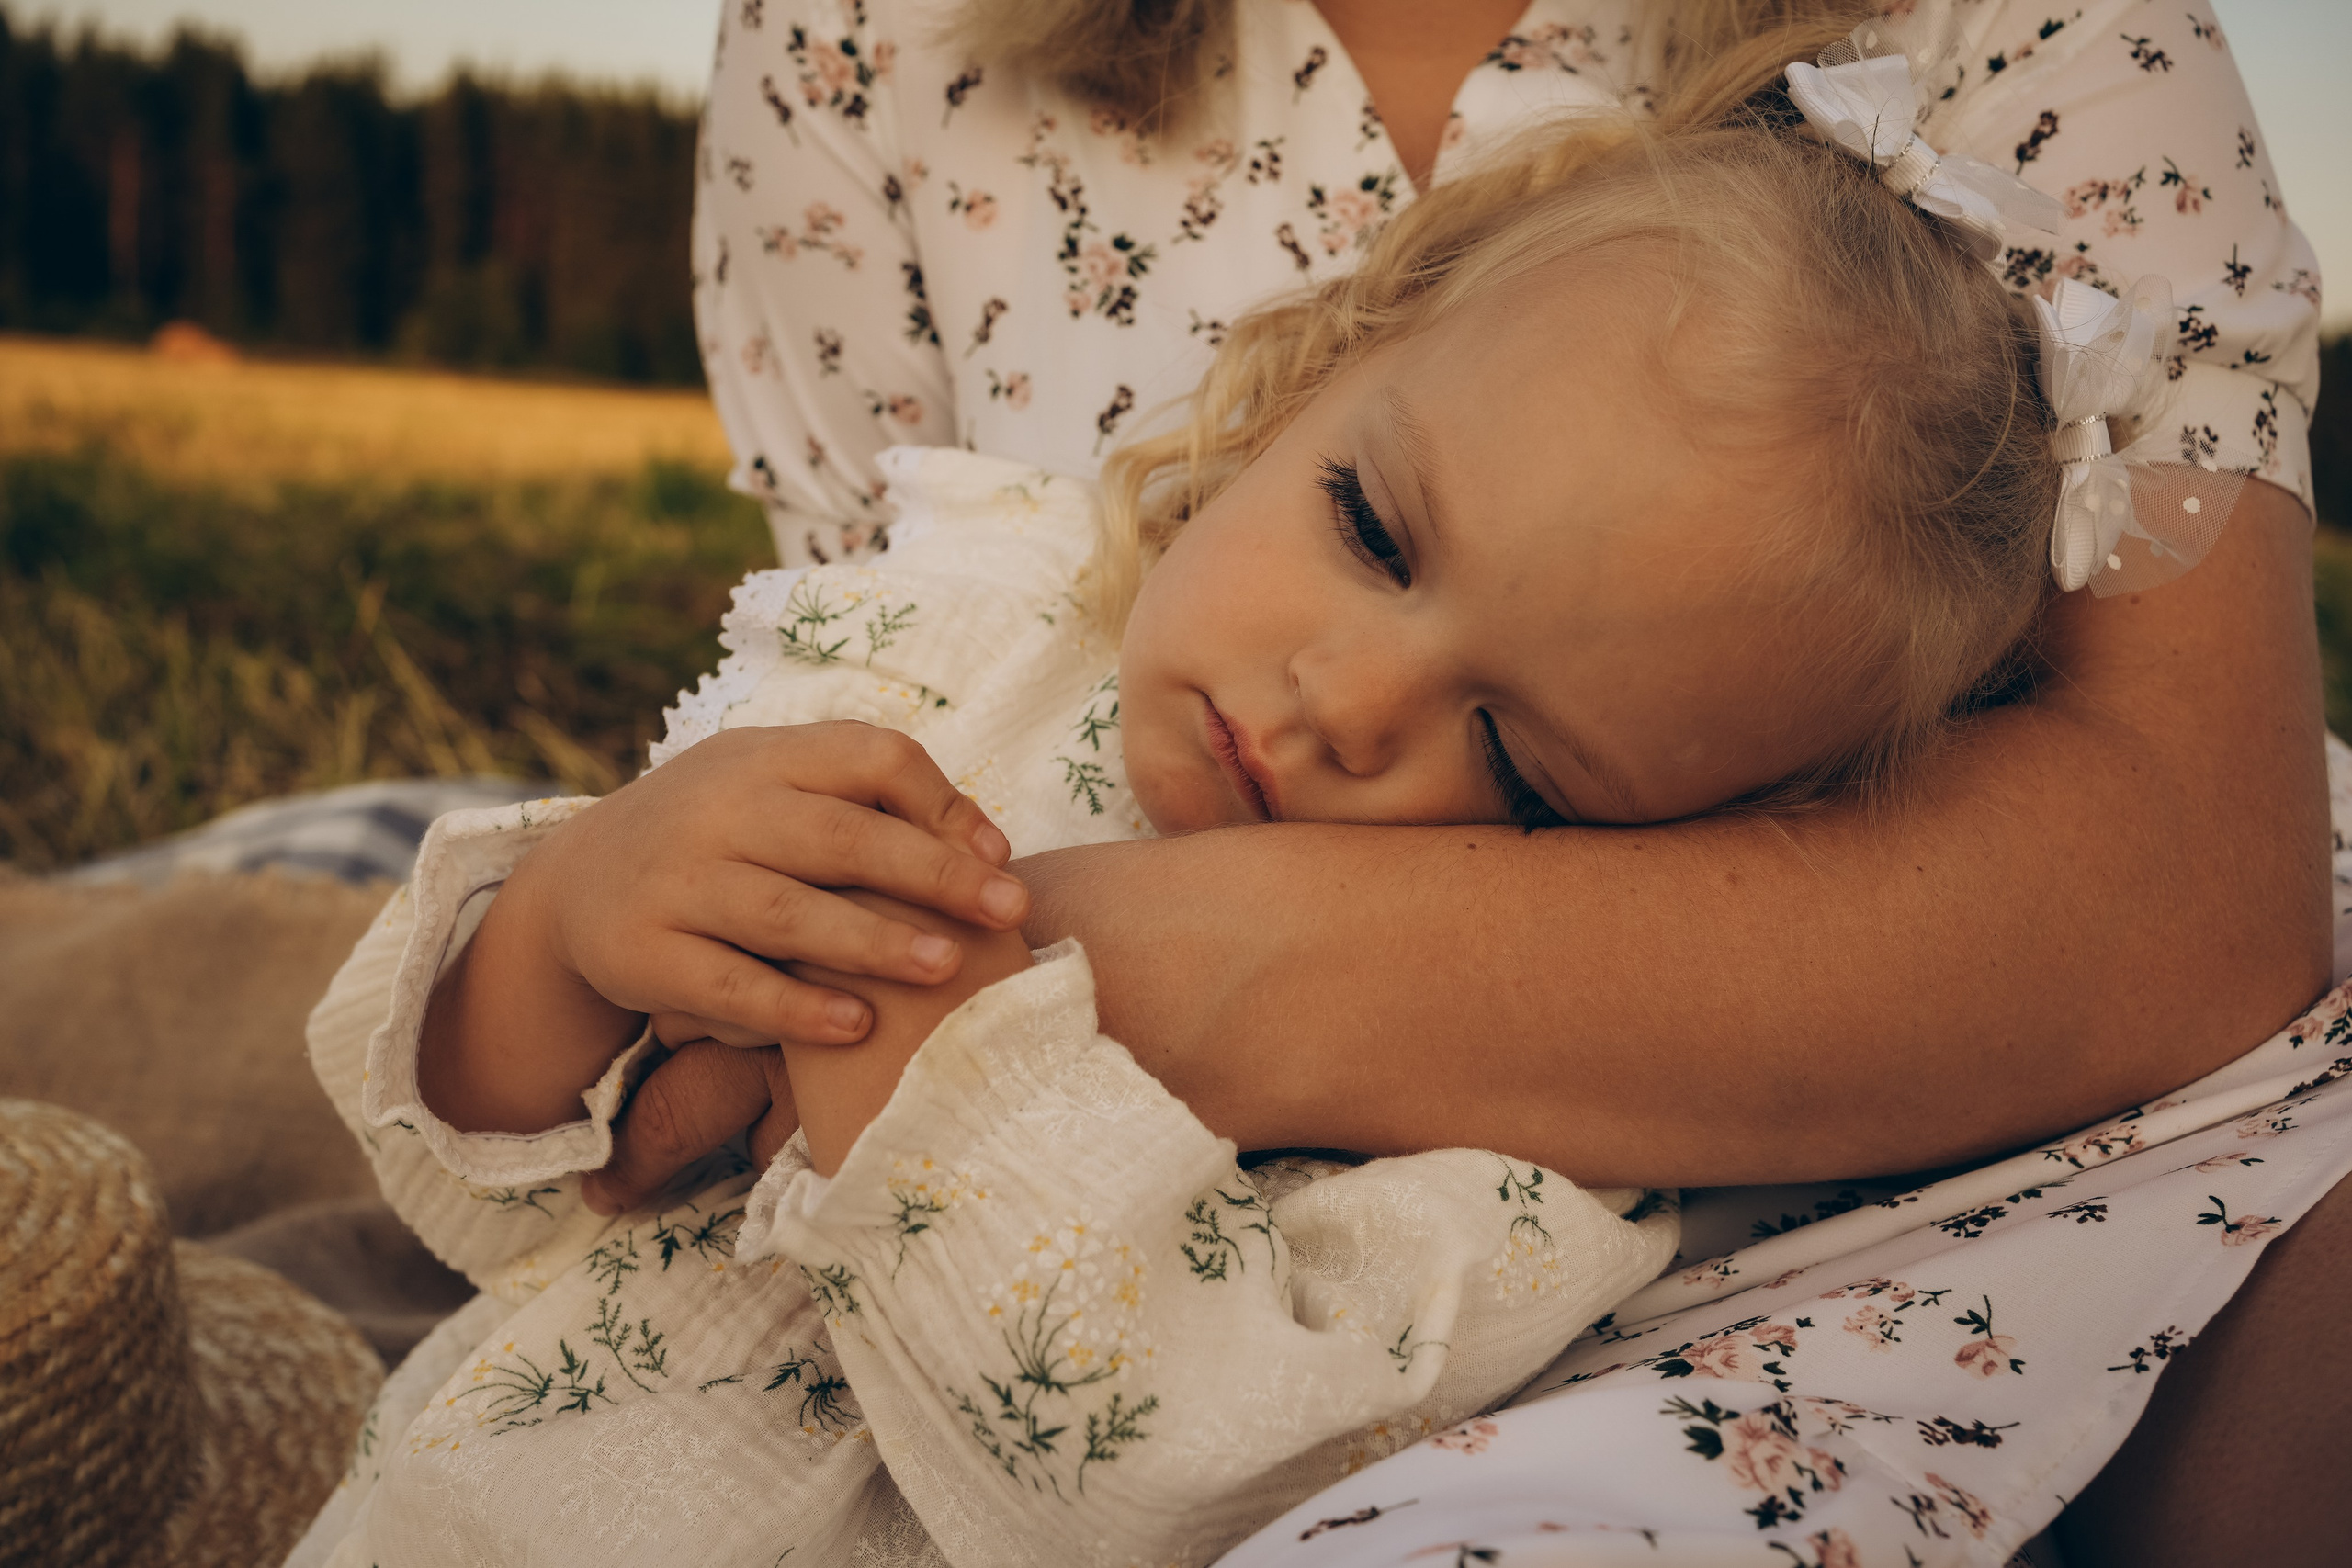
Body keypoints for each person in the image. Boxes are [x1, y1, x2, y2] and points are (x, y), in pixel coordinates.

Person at [291, 21, 2206, 1560]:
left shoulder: (1517, 1166)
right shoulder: (962, 629)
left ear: (1705, 828)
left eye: (1522, 759)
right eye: (1371, 527)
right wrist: (561, 929)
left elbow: (1165, 1488)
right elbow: (487, 1176)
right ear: (1317, 374)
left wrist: (938, 1102)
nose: (1348, 703)